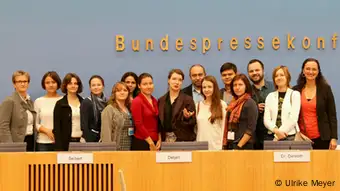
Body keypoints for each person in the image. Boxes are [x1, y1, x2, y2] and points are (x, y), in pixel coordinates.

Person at [294, 58, 338, 150]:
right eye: (308, 69)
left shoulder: (325, 89)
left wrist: (334, 138)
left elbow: (332, 115)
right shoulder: (296, 90)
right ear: (303, 71)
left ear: (318, 72)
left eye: (314, 69)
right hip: (301, 138)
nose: (311, 72)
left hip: (322, 138)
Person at [0, 70, 37, 151]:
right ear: (14, 84)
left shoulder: (30, 101)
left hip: (30, 141)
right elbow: (3, 127)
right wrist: (10, 147)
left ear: (28, 83)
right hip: (16, 143)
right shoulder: (9, 101)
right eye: (19, 81)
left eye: (25, 81)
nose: (23, 84)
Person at [158, 69, 196, 142]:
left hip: (183, 140)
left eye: (180, 80)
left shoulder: (188, 99)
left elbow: (193, 122)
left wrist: (187, 118)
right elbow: (159, 123)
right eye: (174, 79)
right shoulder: (161, 100)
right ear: (168, 80)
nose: (177, 82)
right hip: (165, 140)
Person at [264, 66, 301, 141]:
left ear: (287, 77)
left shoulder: (295, 94)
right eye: (276, 76)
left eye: (282, 75)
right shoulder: (270, 96)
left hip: (289, 136)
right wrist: (276, 131)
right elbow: (266, 119)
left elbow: (293, 118)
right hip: (272, 135)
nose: (279, 77)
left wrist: (278, 136)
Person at [223, 74, 258, 150]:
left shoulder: (250, 103)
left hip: (244, 146)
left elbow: (251, 129)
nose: (237, 87)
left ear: (246, 86)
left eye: (240, 85)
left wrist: (239, 146)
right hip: (231, 143)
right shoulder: (232, 103)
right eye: (235, 85)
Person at [247, 59, 275, 150]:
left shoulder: (274, 87)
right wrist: (254, 109)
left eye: (257, 70)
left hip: (274, 137)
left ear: (263, 71)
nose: (254, 73)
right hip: (253, 139)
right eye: (251, 71)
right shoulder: (246, 91)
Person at [53, 73, 84, 151]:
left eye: (75, 83)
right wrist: (59, 149)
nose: (73, 86)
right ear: (65, 86)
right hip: (66, 144)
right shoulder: (60, 104)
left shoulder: (84, 102)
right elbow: (57, 129)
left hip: (83, 143)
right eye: (70, 83)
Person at [130, 73, 160, 151]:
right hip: (142, 142)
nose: (148, 86)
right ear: (139, 86)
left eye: (150, 83)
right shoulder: (137, 101)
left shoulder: (155, 101)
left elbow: (158, 123)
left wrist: (160, 139)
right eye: (145, 84)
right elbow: (138, 124)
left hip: (156, 142)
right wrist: (150, 142)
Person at [196, 76, 227, 150]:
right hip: (201, 146)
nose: (206, 90)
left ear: (214, 88)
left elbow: (224, 127)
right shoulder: (198, 105)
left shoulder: (222, 104)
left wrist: (222, 146)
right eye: (204, 87)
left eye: (209, 87)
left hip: (216, 147)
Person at [34, 71, 62, 151]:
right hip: (43, 143)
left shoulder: (63, 100)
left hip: (60, 143)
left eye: (53, 82)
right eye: (47, 82)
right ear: (44, 85)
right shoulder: (38, 101)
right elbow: (35, 123)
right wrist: (46, 131)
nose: (51, 85)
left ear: (58, 83)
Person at [101, 82, 133, 150]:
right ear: (114, 93)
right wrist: (108, 151)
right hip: (115, 149)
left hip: (129, 148)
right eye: (119, 90)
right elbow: (106, 133)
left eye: (125, 90)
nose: (122, 92)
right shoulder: (109, 109)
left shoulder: (129, 109)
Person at [80, 75, 107, 142]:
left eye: (99, 85)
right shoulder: (86, 102)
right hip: (90, 138)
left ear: (103, 86)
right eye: (93, 85)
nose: (96, 87)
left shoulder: (107, 102)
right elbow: (84, 125)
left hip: (105, 137)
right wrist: (90, 139)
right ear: (90, 87)